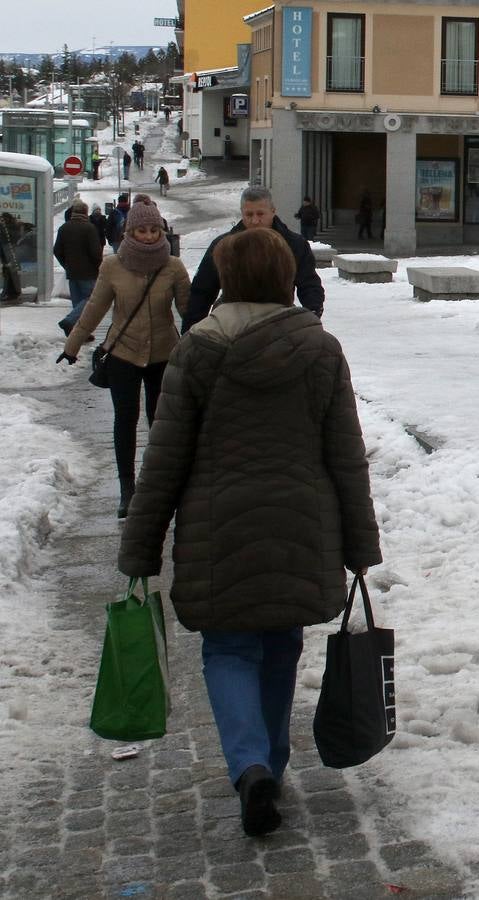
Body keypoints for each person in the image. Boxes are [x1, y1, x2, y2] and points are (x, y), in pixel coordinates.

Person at [117, 227, 381, 837]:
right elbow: (347, 456)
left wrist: (142, 546)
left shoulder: (197, 349)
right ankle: (272, 763)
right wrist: (361, 544)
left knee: (229, 649)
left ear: (228, 279)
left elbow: (165, 459)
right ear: (286, 278)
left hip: (217, 526)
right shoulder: (319, 349)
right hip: (301, 522)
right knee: (282, 644)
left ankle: (250, 764)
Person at [56, 202, 191, 516]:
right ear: (129, 232)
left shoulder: (173, 267)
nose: (148, 236)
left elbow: (189, 312)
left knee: (160, 423)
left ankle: (158, 485)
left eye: (154, 230)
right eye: (142, 230)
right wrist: (72, 345)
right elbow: (94, 308)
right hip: (123, 354)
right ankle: (127, 489)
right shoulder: (113, 266)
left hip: (162, 354)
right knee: (125, 420)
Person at [183, 186, 323, 332]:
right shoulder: (224, 246)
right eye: (249, 214)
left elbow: (309, 284)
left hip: (279, 324)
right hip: (233, 326)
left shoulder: (294, 244)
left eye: (260, 214)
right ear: (242, 213)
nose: (255, 221)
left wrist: (312, 317)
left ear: (273, 211)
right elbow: (202, 291)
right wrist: (190, 332)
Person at [53, 200, 103, 335]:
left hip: (72, 272)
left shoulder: (64, 228)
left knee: (77, 303)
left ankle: (78, 333)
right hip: (88, 273)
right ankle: (69, 321)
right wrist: (99, 266)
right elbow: (96, 253)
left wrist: (66, 265)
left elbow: (57, 250)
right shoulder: (89, 228)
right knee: (91, 299)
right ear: (86, 213)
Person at [0, 212, 22, 302]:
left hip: (9, 254)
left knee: (9, 274)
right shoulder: (12, 227)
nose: (1, 221)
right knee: (11, 273)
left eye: (2, 219)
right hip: (10, 254)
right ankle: (12, 292)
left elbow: (7, 241)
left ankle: (9, 293)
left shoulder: (8, 229)